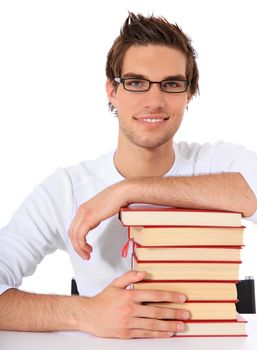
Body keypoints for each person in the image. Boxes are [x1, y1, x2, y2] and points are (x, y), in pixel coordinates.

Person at [0, 12, 257, 339]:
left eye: (172, 84)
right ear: (112, 90)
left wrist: (129, 190)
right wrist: (85, 313)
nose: (154, 101)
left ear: (189, 93)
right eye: (136, 83)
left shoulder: (218, 160)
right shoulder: (64, 190)